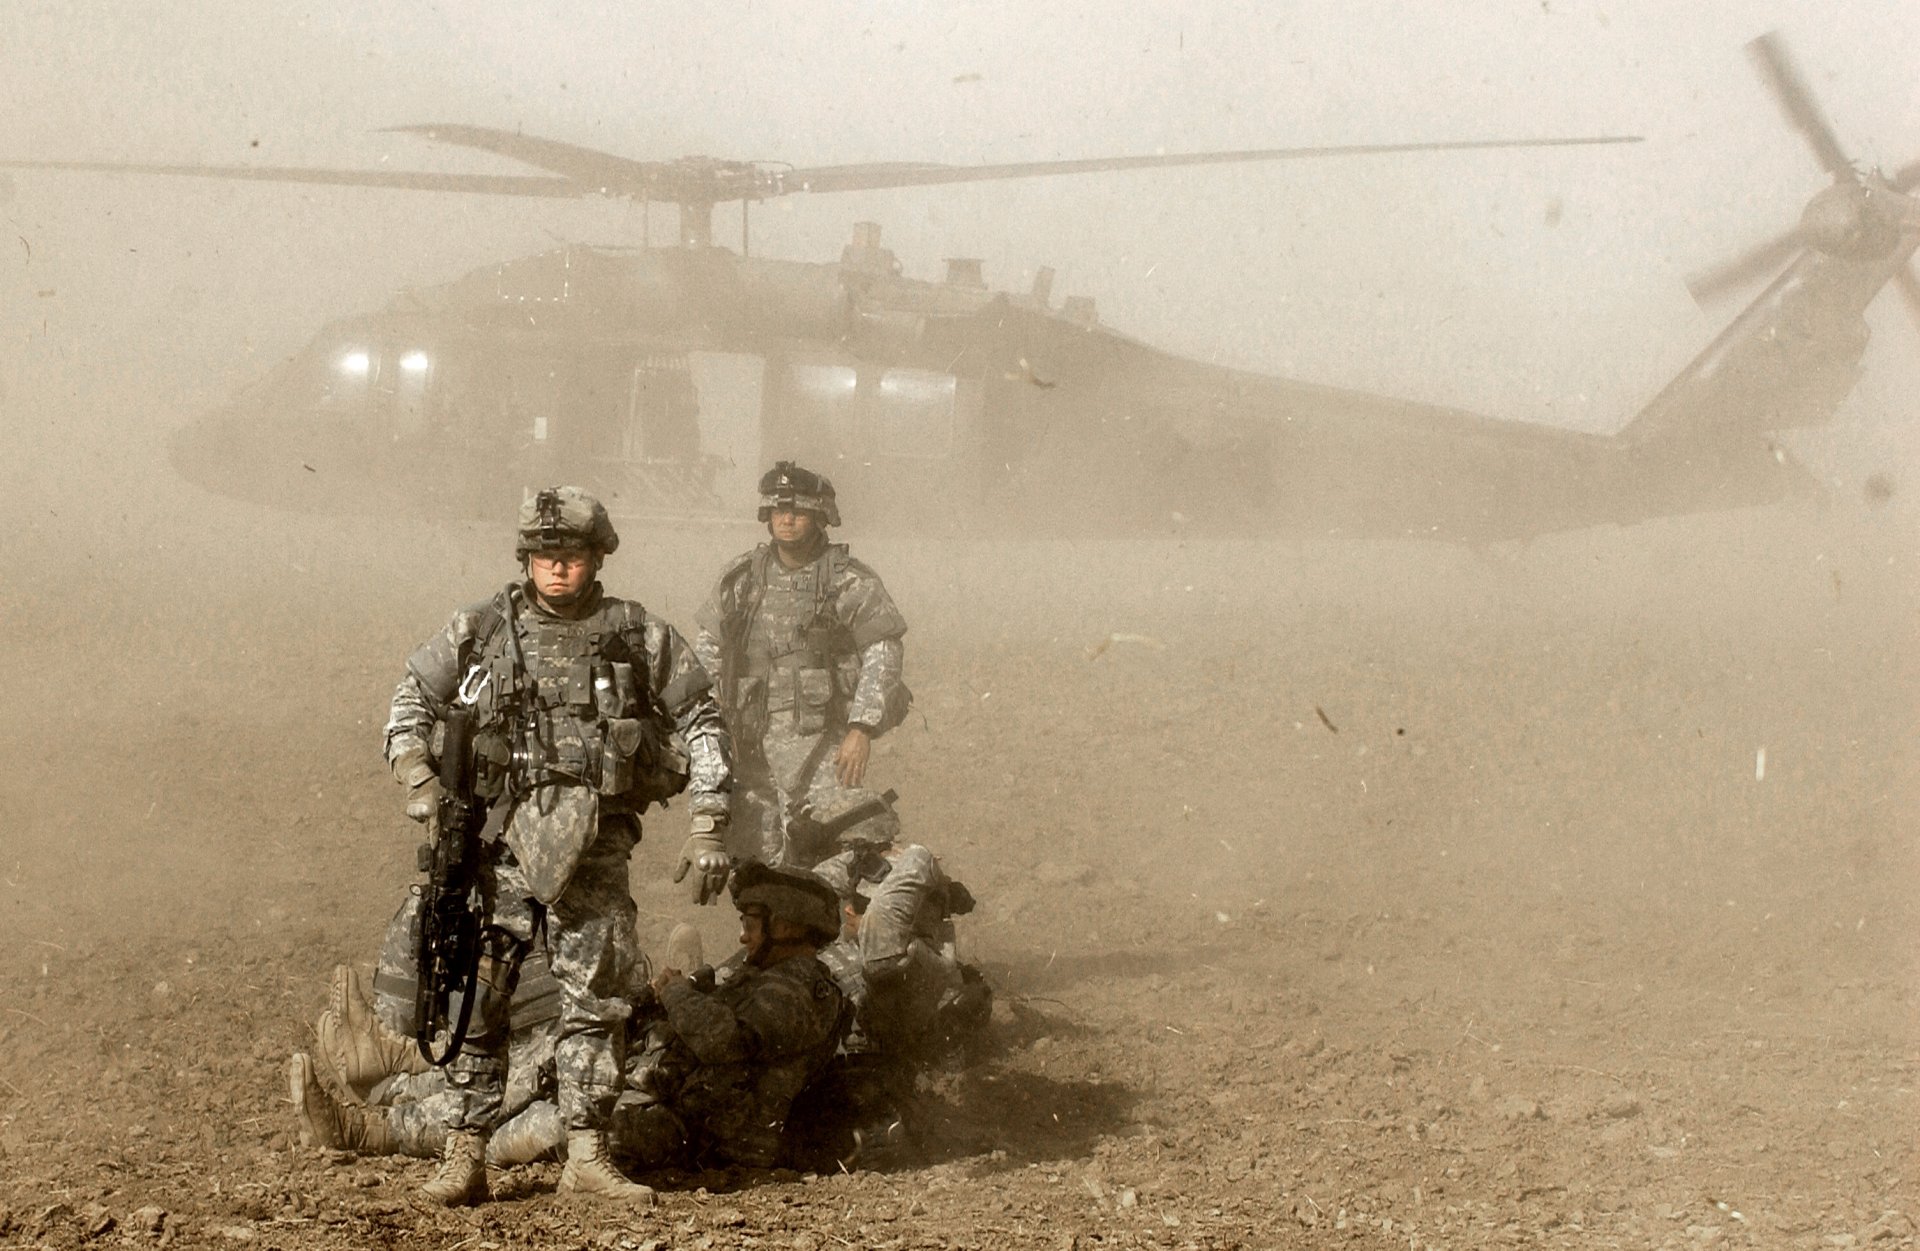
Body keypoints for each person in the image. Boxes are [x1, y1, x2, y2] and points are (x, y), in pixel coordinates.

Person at [380, 485, 732, 1205]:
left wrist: (708, 821)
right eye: (545, 555)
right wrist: (419, 777)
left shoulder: (637, 634)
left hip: (595, 850)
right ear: (526, 558)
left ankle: (587, 1154)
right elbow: (410, 701)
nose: (558, 567)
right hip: (497, 848)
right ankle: (463, 1154)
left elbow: (703, 718)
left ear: (598, 557)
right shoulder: (480, 630)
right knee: (477, 997)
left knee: (597, 1002)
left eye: (571, 553)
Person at [294, 866, 846, 1178]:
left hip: (694, 1134)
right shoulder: (763, 975)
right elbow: (712, 1016)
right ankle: (394, 1088)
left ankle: (371, 1132)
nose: (743, 935)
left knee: (551, 1123)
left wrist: (678, 992)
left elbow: (725, 1042)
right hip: (660, 1094)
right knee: (551, 1057)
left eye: (753, 923)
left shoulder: (803, 991)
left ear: (788, 927)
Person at [693, 462, 910, 870]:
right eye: (779, 510)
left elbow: (883, 652)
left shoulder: (848, 581)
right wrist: (710, 727)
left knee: (837, 859)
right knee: (754, 871)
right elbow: (708, 652)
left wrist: (861, 728)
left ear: (820, 515)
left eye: (798, 511)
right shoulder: (742, 579)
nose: (787, 519)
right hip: (750, 754)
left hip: (823, 751)